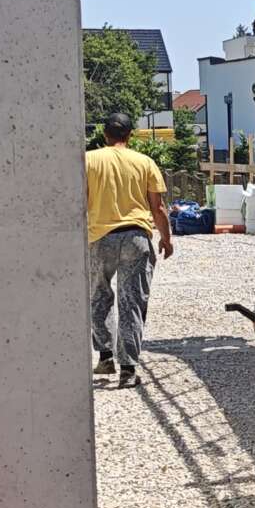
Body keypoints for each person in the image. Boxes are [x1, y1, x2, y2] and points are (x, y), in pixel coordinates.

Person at [85, 111, 172, 387]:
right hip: (136, 237)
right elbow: (158, 207)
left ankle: (105, 356)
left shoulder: (88, 160)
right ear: (130, 135)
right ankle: (128, 370)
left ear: (105, 135)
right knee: (132, 301)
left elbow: (79, 200)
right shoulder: (145, 162)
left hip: (100, 238)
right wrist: (166, 239)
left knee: (99, 296)